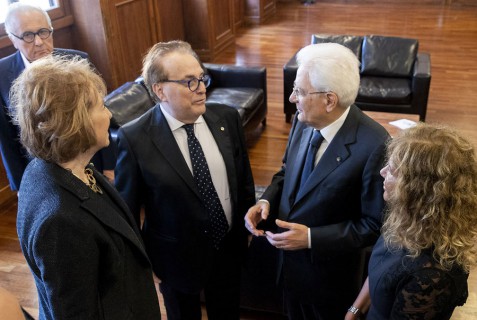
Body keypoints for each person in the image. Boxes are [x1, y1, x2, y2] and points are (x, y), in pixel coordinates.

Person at [244, 42, 390, 320]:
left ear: (329, 100)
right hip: (287, 271)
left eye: (299, 91)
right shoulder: (303, 119)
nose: (291, 98)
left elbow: (373, 226)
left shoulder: (375, 145)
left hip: (328, 282)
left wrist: (311, 238)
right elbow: (286, 172)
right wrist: (265, 200)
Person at [114, 40, 255, 320]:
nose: (201, 88)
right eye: (189, 82)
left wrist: (245, 230)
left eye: (201, 77)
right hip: (175, 262)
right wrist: (143, 265)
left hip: (228, 251)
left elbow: (243, 180)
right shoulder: (135, 138)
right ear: (160, 90)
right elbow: (127, 213)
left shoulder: (226, 118)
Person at [12, 55, 161, 319]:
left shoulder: (58, 167)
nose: (110, 114)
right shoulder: (60, 221)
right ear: (74, 121)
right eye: (101, 107)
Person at [345, 123, 477, 320]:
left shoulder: (433, 277)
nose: (382, 172)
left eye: (392, 170)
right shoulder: (406, 215)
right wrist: (354, 310)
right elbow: (380, 271)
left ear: (416, 189)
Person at [0, 3, 116, 191]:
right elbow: (6, 138)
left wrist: (110, 164)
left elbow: (101, 112)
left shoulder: (79, 61)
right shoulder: (2, 74)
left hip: (89, 164)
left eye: (43, 32)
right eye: (28, 35)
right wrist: (21, 186)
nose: (38, 42)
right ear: (13, 40)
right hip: (42, 176)